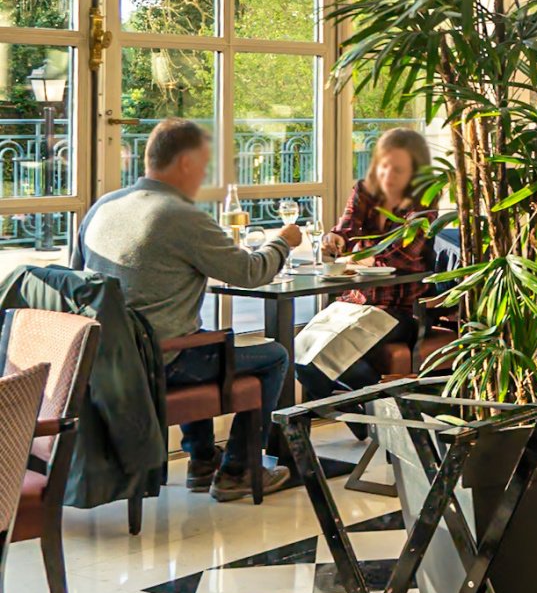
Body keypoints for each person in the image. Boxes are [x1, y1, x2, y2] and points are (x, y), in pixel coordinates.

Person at [77, 119, 299, 502]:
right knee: (274, 356)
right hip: (161, 362)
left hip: (107, 360)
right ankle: (238, 471)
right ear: (184, 163)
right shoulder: (182, 216)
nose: (204, 174)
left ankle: (200, 459)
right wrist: (283, 241)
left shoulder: (103, 206)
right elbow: (250, 272)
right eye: (203, 164)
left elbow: (77, 279)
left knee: (198, 336)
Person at [296, 127, 437, 400]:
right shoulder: (364, 191)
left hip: (402, 311)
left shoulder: (424, 204)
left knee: (321, 359)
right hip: (355, 302)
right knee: (300, 352)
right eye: (383, 166)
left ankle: (384, 415)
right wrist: (333, 238)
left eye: (398, 170)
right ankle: (375, 415)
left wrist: (357, 258)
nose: (387, 175)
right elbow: (345, 230)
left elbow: (400, 257)